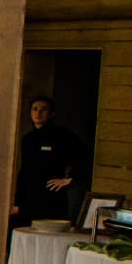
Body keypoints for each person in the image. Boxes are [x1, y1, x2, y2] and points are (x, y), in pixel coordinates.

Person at [11, 95, 89, 226]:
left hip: (51, 197)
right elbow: (24, 171)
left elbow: (83, 157)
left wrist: (69, 179)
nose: (38, 113)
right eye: (35, 109)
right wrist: (17, 202)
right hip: (29, 199)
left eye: (44, 109)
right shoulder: (28, 139)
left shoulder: (63, 135)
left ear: (52, 113)